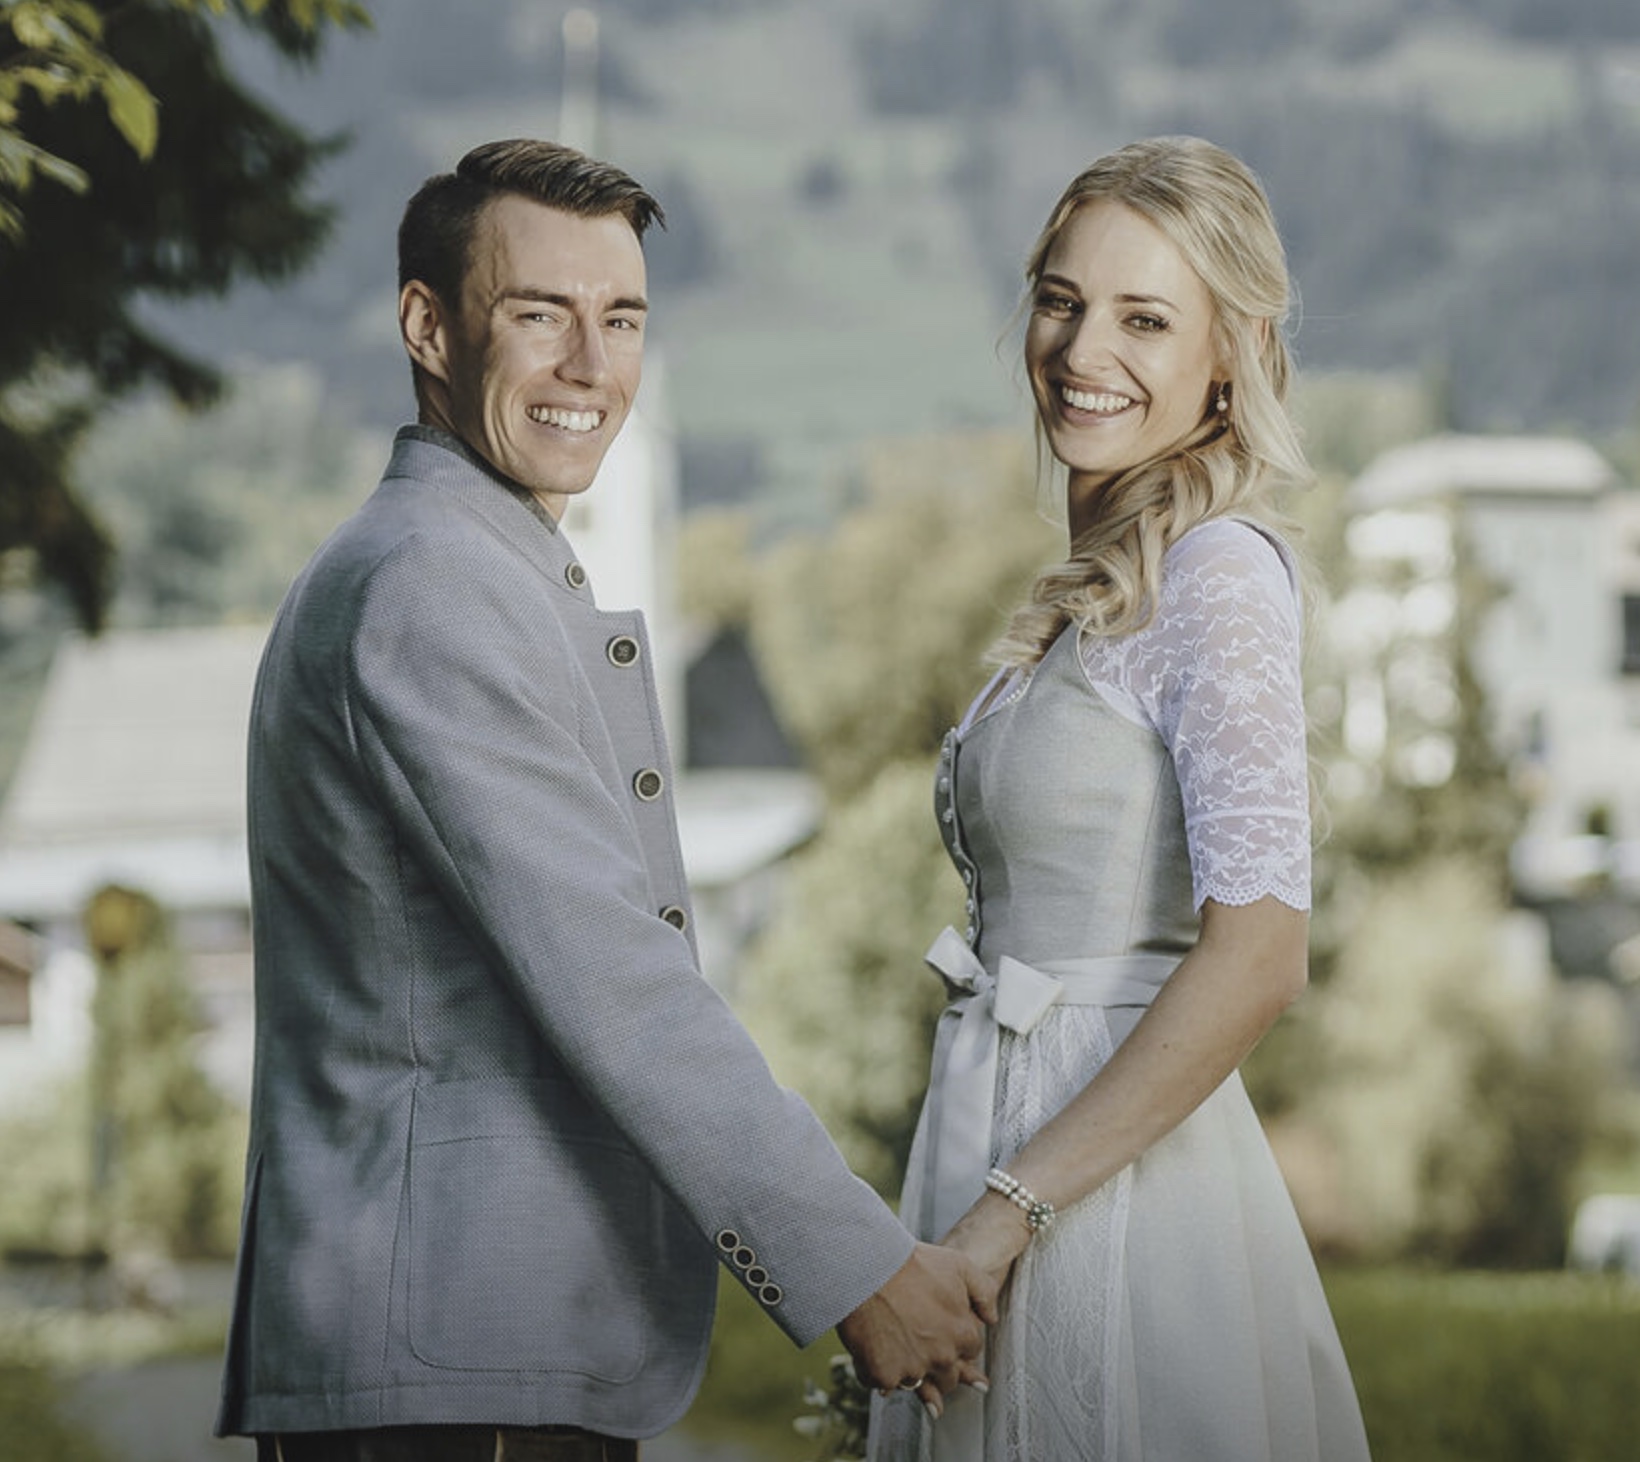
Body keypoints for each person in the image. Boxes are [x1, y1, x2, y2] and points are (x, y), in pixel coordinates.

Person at [216, 139, 995, 1462]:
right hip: (455, 1362)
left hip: (476, 1355)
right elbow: (609, 971)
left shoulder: (471, 561)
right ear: (428, 324)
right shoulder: (432, 585)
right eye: (539, 315)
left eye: (620, 318)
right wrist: (858, 1268)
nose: (590, 364)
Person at [870, 137, 1370, 1462]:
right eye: (1061, 297)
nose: (1083, 346)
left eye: (1144, 317)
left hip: (1112, 1193)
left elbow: (1260, 953)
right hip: (996, 1134)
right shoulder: (1099, 591)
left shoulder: (1216, 573)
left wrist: (1004, 1213)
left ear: (1233, 349)